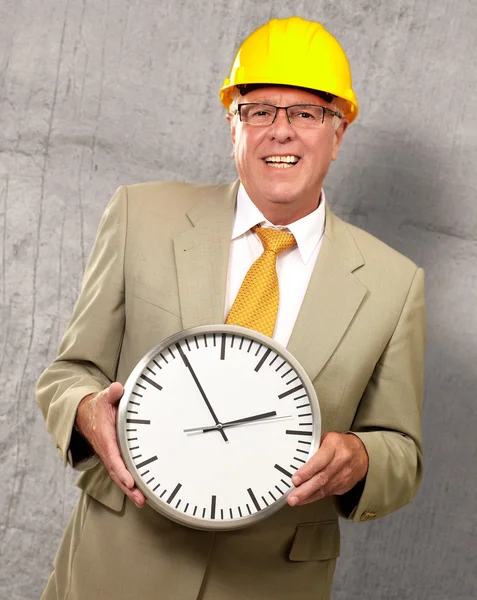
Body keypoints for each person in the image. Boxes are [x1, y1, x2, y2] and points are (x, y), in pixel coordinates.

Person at [37, 16, 426, 600]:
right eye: (260, 111)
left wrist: (364, 456)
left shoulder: (395, 284)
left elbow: (402, 452)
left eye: (306, 113)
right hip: (116, 566)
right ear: (232, 124)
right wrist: (86, 408)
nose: (281, 132)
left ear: (338, 131)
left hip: (270, 580)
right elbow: (68, 374)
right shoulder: (141, 217)